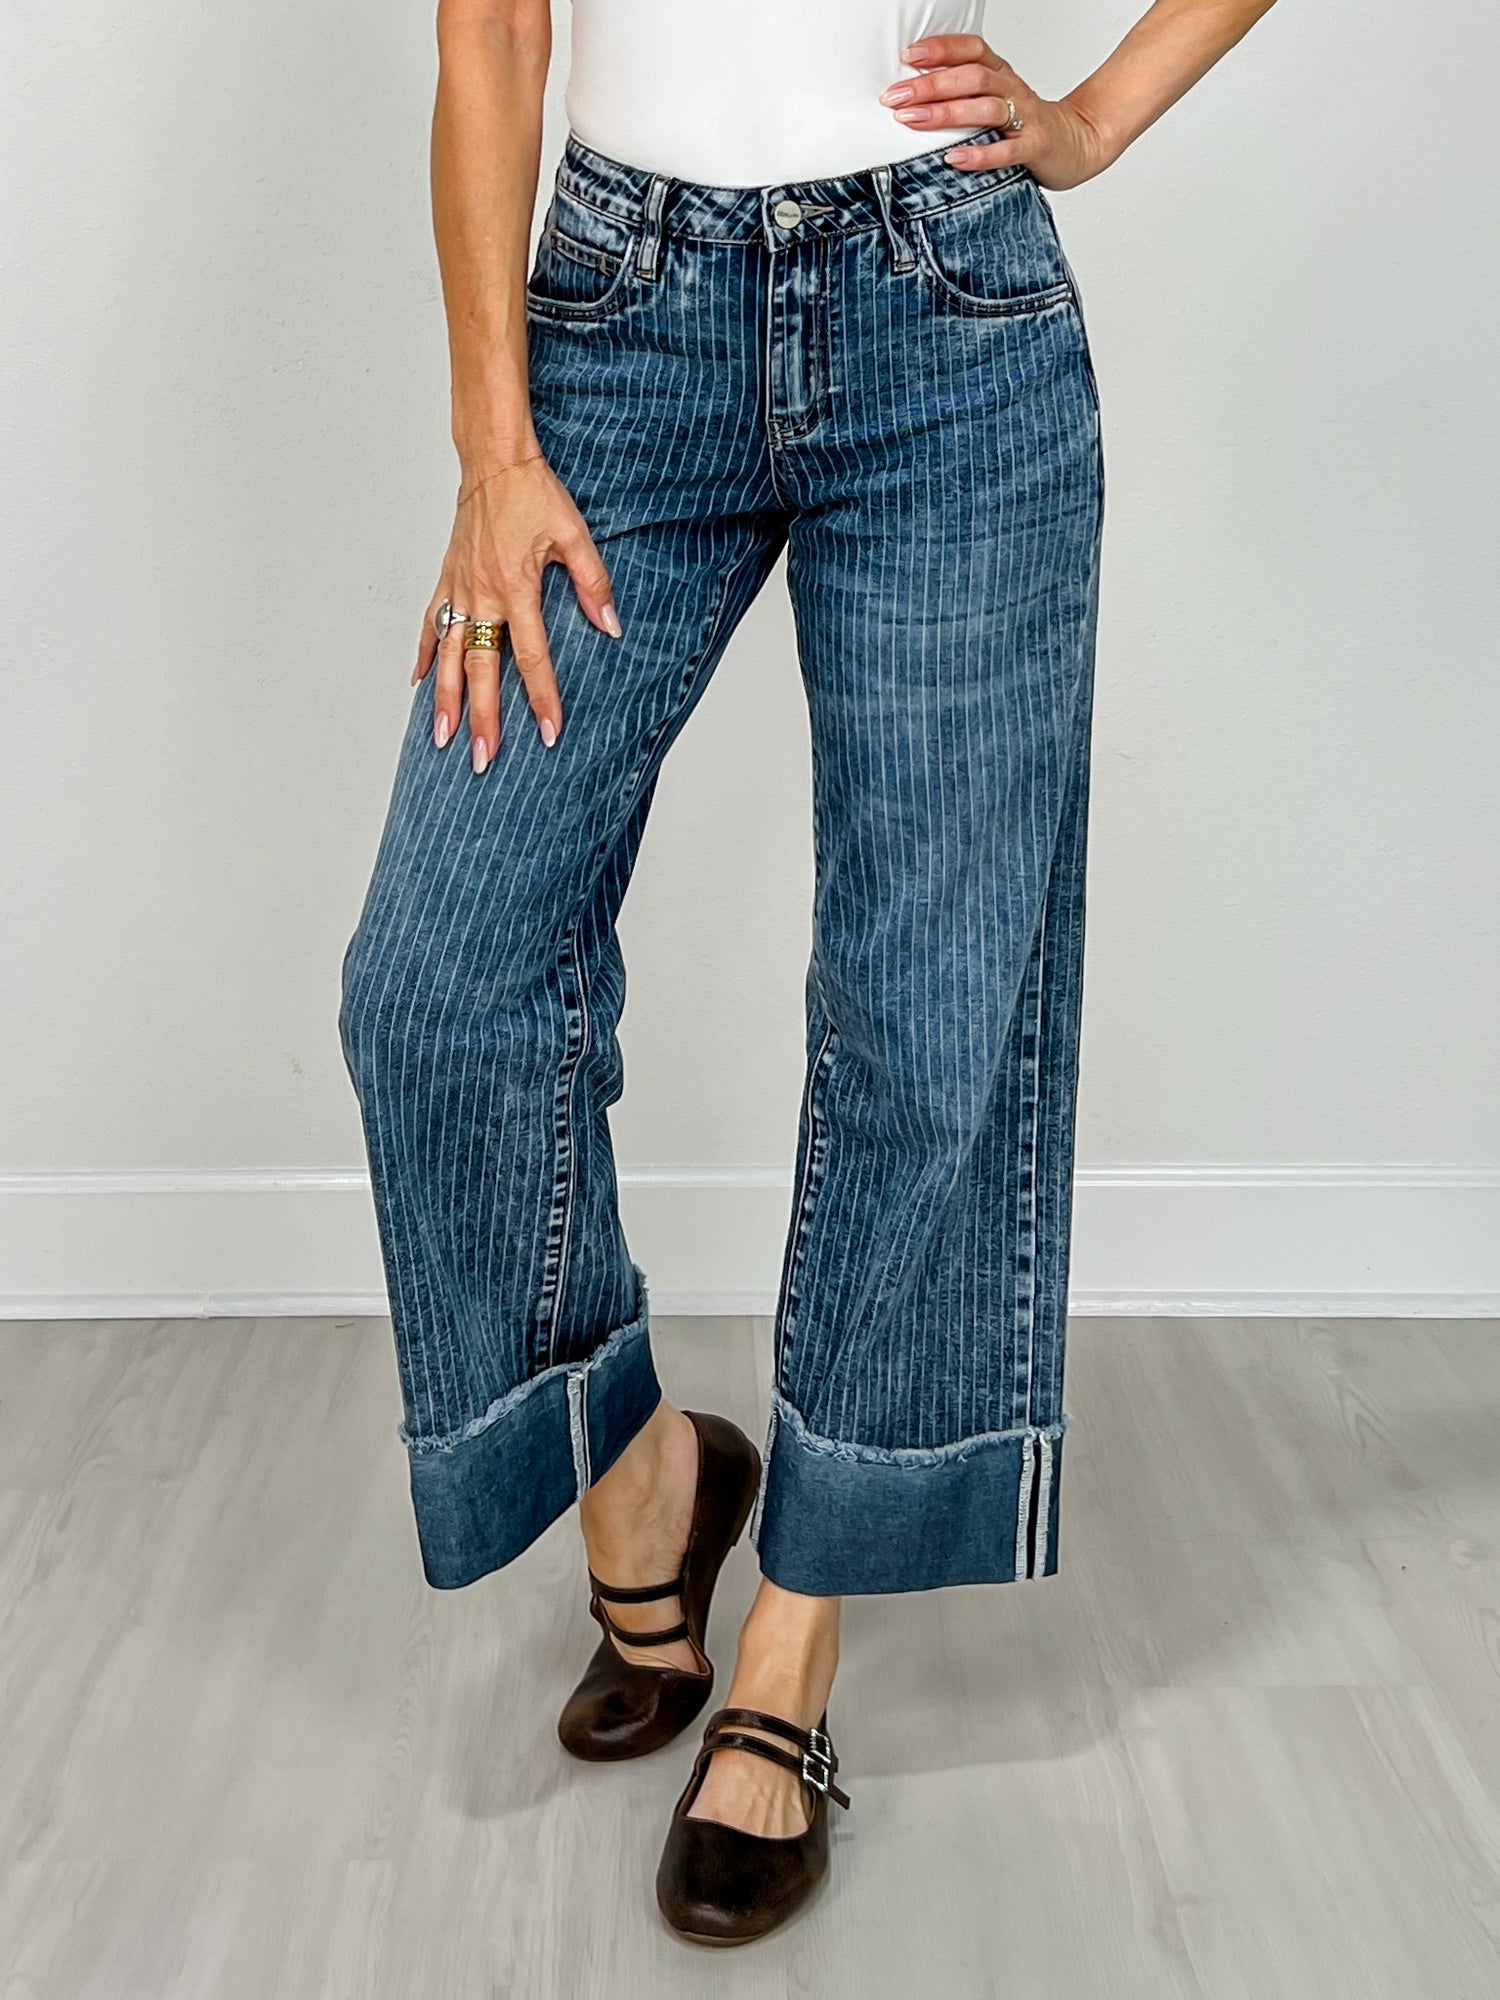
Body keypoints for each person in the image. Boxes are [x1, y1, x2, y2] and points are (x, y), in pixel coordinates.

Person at [339, 0, 1278, 1946]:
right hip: (619, 320)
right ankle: (645, 1478)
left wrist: (1098, 117)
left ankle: (790, 1641)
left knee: (928, 1015)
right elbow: (491, 29)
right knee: (436, 979)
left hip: (950, 320)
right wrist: (493, 449)